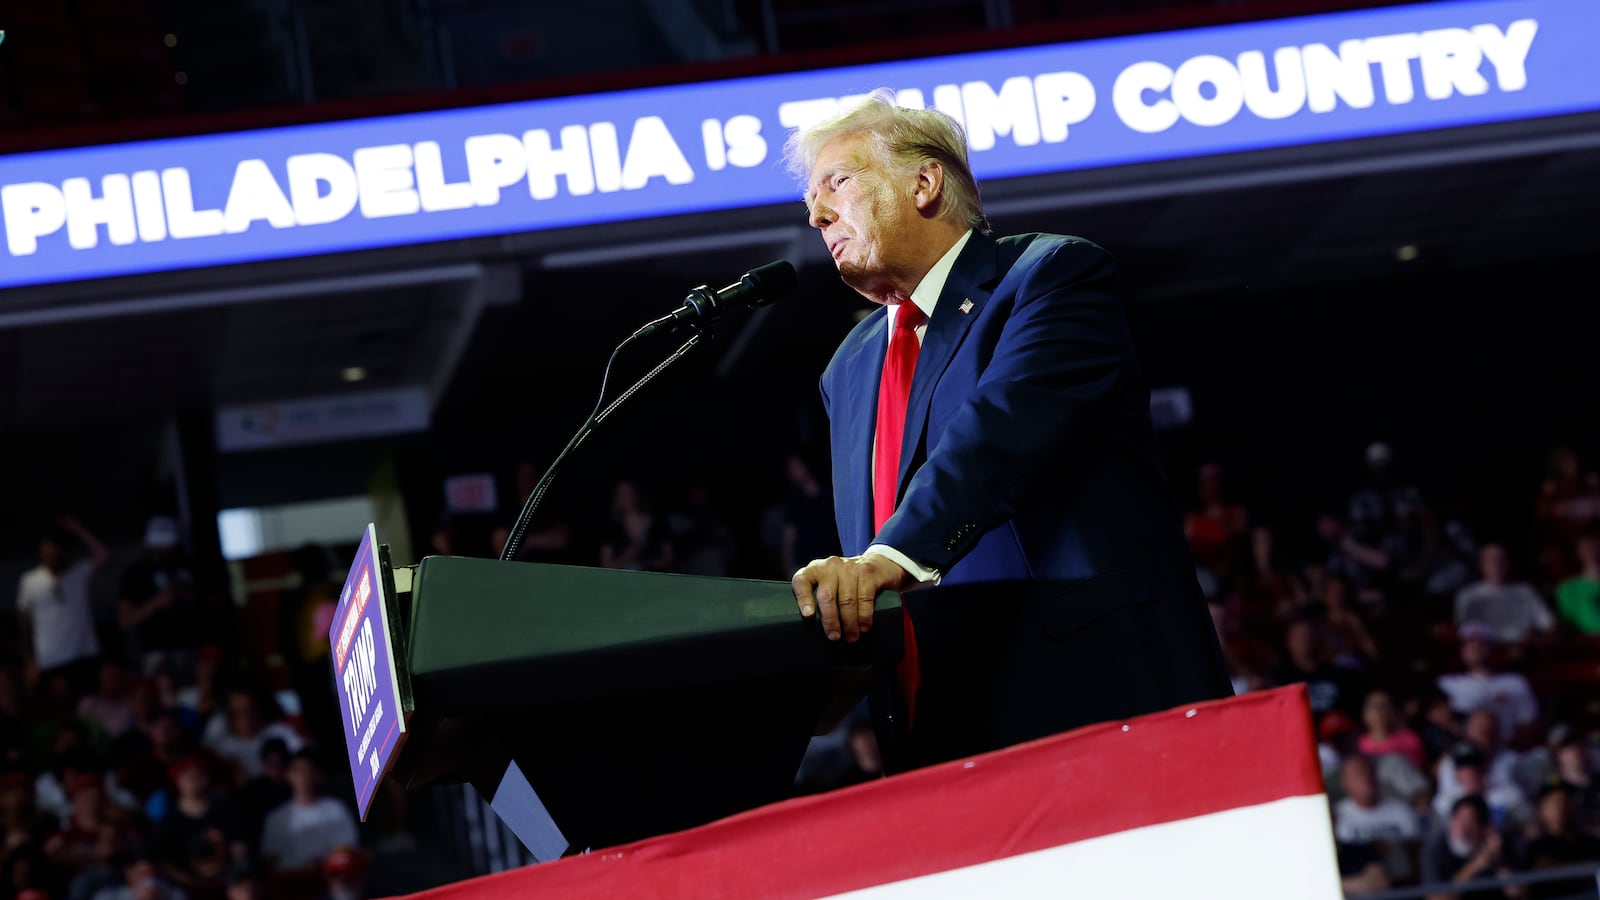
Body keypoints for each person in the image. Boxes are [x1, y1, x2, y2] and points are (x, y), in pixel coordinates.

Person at [784, 90, 1231, 768]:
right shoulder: (849, 367)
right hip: (933, 732)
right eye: (811, 201)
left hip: (1090, 700)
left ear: (925, 182)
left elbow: (999, 433)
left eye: (836, 184)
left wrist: (886, 561)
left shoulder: (1049, 277)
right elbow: (867, 538)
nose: (817, 214)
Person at [16, 516, 110, 697]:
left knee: (88, 707)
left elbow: (103, 555)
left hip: (83, 654)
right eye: (46, 549)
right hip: (51, 659)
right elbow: (24, 623)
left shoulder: (77, 573)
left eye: (54, 549)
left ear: (61, 551)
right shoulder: (30, 581)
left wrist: (78, 529)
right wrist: (29, 660)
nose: (50, 554)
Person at [1437, 623, 1539, 745]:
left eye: (1481, 641)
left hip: (1508, 752)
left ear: (1492, 647)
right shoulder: (1446, 684)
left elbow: (1529, 723)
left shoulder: (1515, 683)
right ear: (1462, 649)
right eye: (1469, 642)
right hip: (1463, 751)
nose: (1475, 646)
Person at [1420, 794, 1518, 900]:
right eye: (1458, 819)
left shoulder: (1497, 843)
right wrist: (1474, 866)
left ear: (1484, 827)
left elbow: (1517, 893)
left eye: (1470, 822)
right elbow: (1436, 899)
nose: (1462, 828)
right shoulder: (1435, 850)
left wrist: (1499, 861)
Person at [1454, 544, 1555, 646]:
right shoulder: (1468, 595)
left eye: (1500, 559)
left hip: (1521, 649)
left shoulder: (1525, 591)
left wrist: (1538, 638)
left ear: (1508, 563)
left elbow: (1550, 625)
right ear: (1481, 565)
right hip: (1486, 649)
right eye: (1491, 560)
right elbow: (1463, 633)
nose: (1496, 564)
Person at [1554, 533, 1600, 635]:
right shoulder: (1567, 588)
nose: (1591, 551)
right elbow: (1567, 626)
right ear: (1578, 552)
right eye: (1585, 547)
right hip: (1588, 645)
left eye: (1595, 546)